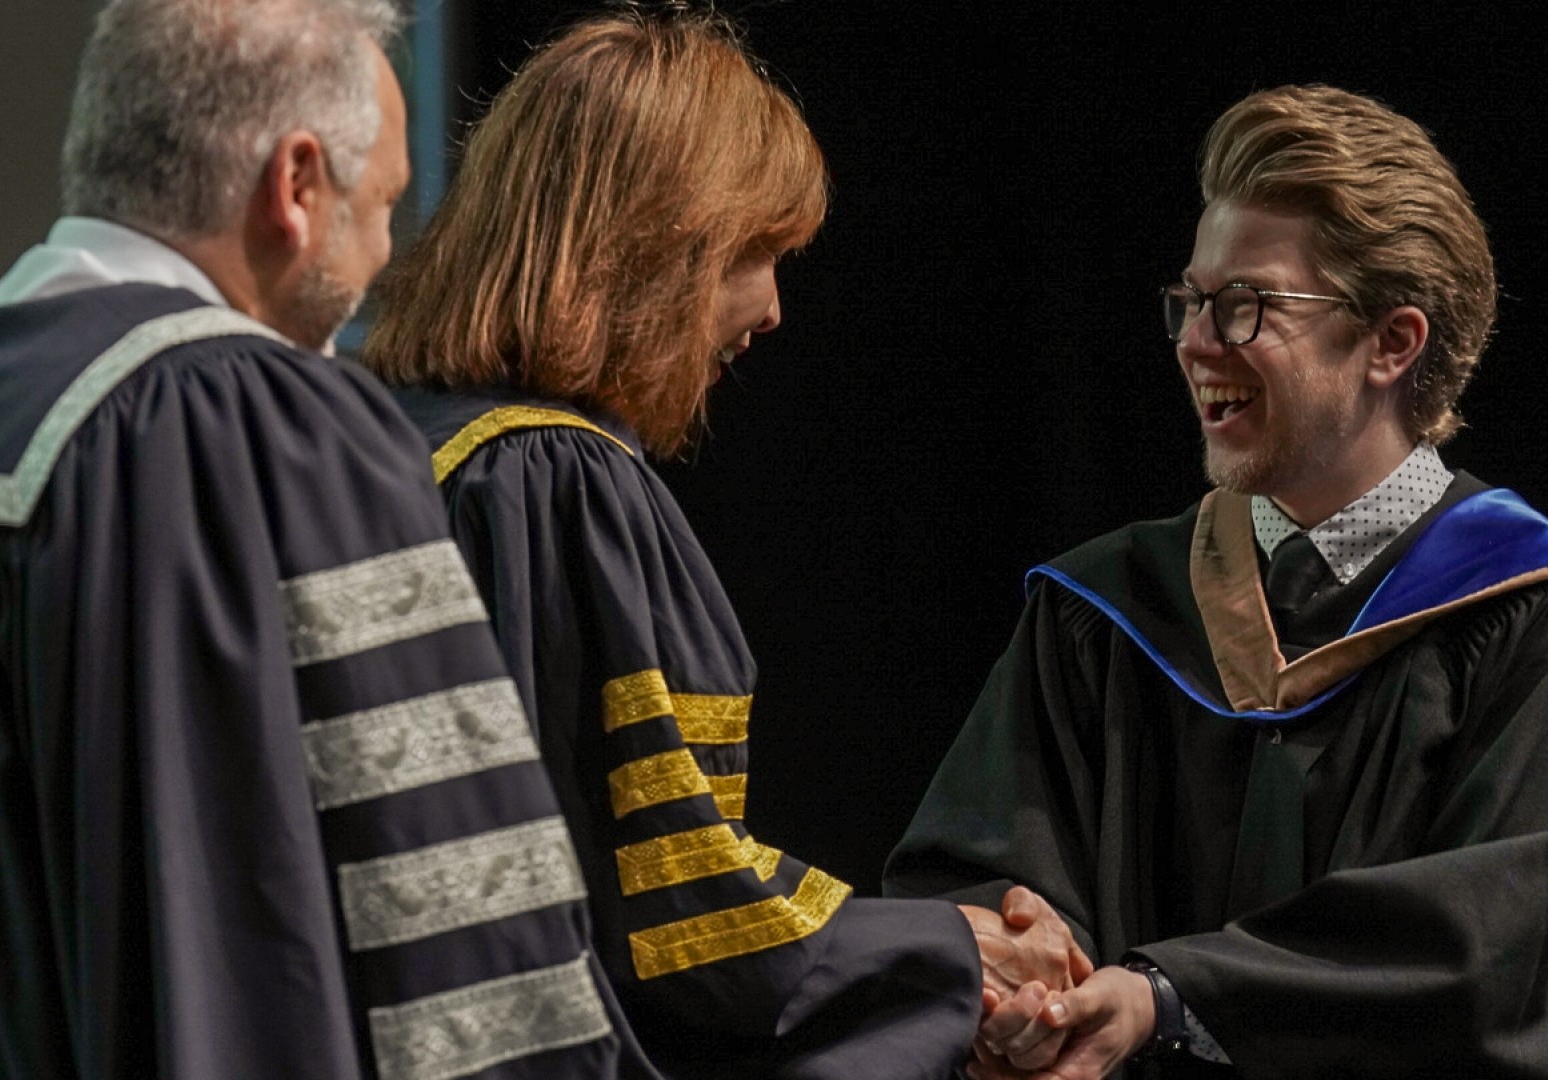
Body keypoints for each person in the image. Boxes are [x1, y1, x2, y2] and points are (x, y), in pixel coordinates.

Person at [0, 1, 644, 1077]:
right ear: (295, 186)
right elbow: (461, 947)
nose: (384, 250)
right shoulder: (256, 434)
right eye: (382, 206)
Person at [884, 84, 1548, 1079]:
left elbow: (1496, 961)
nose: (1194, 342)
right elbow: (976, 873)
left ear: (1393, 343)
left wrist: (1172, 998)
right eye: (1191, 300)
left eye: (1246, 306)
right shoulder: (1104, 611)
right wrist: (1017, 978)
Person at [358, 8, 1085, 1078]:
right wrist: (947, 952)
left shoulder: (386, 445)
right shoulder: (558, 481)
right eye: (755, 252)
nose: (773, 308)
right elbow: (674, 917)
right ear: (657, 244)